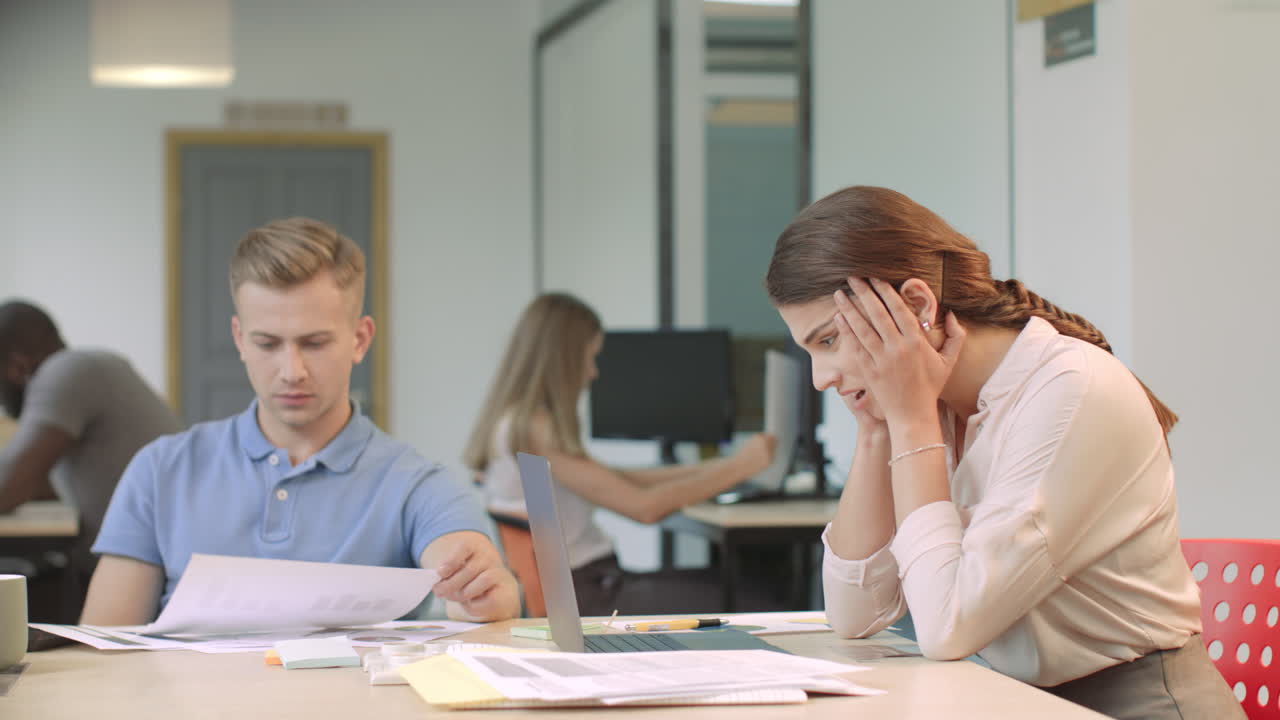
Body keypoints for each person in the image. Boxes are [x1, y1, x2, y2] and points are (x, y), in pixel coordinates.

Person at [764, 185, 1239, 719]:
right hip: (1016, 701)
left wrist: (911, 419)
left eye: (828, 341)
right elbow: (854, 613)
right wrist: (877, 431)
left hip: (1133, 706)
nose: (822, 378)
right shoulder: (934, 402)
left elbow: (947, 626)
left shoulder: (1069, 390)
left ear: (917, 306)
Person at [83, 217, 519, 625]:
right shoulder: (161, 470)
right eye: (268, 343)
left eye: (314, 343)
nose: (292, 370)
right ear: (239, 339)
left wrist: (481, 593)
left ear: (360, 339)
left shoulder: (417, 485)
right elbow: (103, 651)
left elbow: (479, 591)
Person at [463, 292, 775, 615]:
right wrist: (742, 466)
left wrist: (723, 467)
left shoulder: (513, 423)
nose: (593, 372)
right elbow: (644, 508)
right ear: (563, 360)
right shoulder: (535, 429)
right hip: (593, 596)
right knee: (760, 599)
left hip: (585, 590)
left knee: (736, 587)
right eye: (589, 358)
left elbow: (618, 479)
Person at [0, 300, 181, 621]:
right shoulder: (95, 365)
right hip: (150, 570)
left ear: (16, 367)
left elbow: (8, 488)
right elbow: (38, 485)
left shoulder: (66, 372)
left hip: (143, 582)